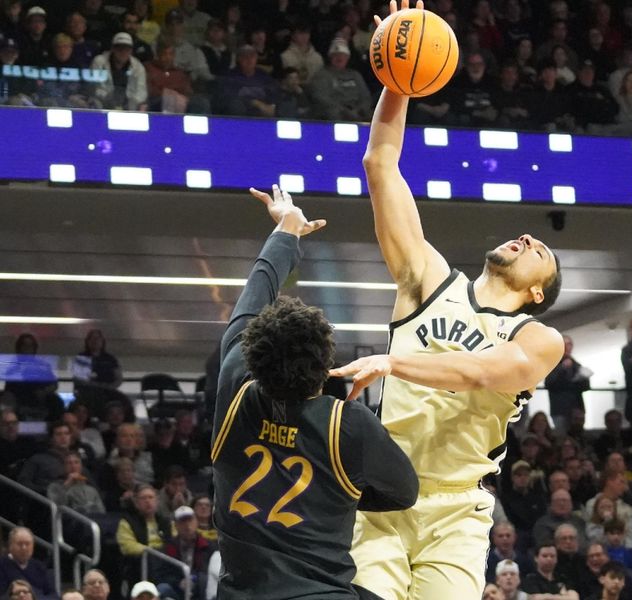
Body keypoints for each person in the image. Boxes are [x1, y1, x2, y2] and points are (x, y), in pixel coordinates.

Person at [329, 4, 565, 597]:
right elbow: (380, 163)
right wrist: (397, 81)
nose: (530, 238)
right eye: (528, 237)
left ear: (538, 292)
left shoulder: (537, 339)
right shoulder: (427, 279)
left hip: (457, 512)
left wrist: (390, 361)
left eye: (542, 252)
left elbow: (480, 371)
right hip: (380, 493)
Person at [211, 185, 418, 599]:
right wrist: (333, 498)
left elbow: (255, 293)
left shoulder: (235, 385)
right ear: (326, 368)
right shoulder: (349, 422)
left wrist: (287, 228)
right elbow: (403, 492)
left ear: (253, 353)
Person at [155, 506, 215, 600]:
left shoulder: (208, 546)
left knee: (205, 580)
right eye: (182, 522)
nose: (187, 525)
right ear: (176, 526)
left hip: (200, 589)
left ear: (196, 522)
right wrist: (178, 582)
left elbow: (211, 571)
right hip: (177, 591)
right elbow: (161, 575)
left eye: (190, 520)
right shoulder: (168, 548)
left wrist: (194, 579)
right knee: (163, 588)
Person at [545, 335, 591, 432]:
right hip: (560, 408)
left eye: (569, 344)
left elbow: (586, 387)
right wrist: (562, 368)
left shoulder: (577, 365)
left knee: (577, 436)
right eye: (564, 344)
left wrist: (584, 377)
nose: (566, 347)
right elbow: (549, 383)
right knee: (562, 436)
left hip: (576, 409)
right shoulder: (552, 364)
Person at [0, 528, 54, 598]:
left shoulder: (39, 566)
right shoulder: (2, 565)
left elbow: (53, 595)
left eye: (27, 544)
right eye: (19, 544)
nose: (24, 547)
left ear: (33, 546)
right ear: (10, 545)